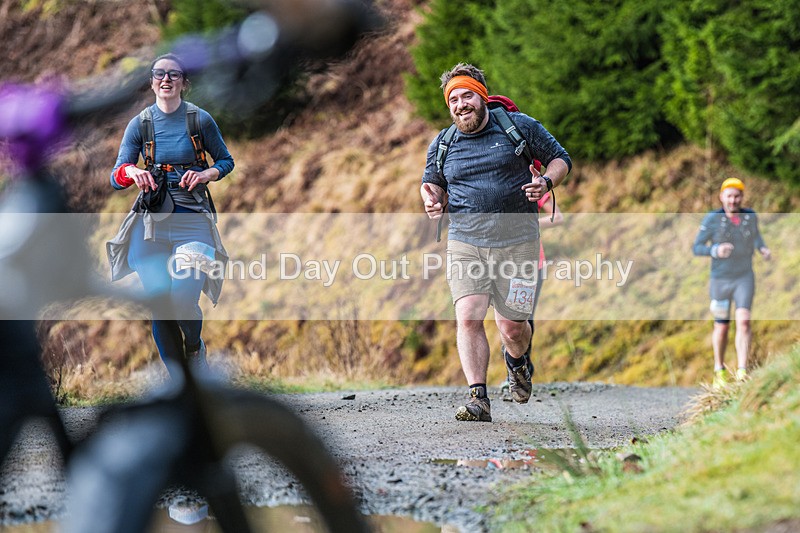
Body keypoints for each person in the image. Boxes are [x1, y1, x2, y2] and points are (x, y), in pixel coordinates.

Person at [421, 63, 571, 422]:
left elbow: (560, 159)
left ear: (482, 96)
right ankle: (478, 398)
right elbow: (433, 182)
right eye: (453, 99)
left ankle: (517, 362)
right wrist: (431, 200)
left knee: (512, 327)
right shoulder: (443, 143)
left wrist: (547, 183)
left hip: (518, 241)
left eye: (467, 95)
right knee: (468, 315)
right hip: (465, 241)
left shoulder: (519, 127)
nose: (460, 104)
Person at [107, 53, 234, 378]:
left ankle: (194, 347)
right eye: (159, 73)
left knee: (182, 300)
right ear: (151, 81)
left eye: (173, 74)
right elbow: (116, 175)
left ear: (184, 82)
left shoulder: (200, 120)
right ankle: (181, 383)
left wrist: (206, 175)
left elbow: (225, 161)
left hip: (194, 223)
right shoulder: (141, 123)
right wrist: (133, 171)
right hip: (150, 226)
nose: (166, 79)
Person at [693, 177, 770, 388]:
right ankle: (719, 370)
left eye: (737, 196)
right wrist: (715, 250)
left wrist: (762, 248)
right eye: (729, 196)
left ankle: (742, 371)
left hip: (744, 277)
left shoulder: (750, 217)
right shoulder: (712, 219)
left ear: (742, 197)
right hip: (720, 280)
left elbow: (756, 237)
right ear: (722, 197)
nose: (733, 200)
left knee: (744, 321)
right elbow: (697, 247)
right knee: (722, 327)